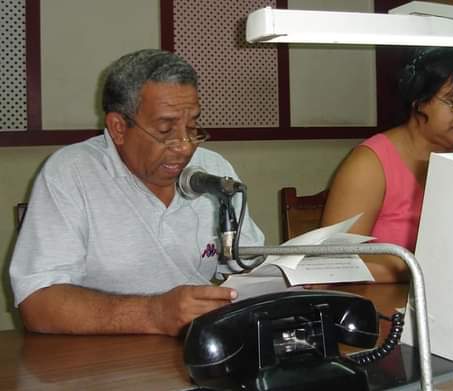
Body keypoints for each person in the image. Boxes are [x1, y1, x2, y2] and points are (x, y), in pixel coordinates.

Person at [9, 49, 264, 336]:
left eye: (192, 127)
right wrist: (152, 313)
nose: (184, 147)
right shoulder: (71, 173)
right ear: (118, 128)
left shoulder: (213, 169)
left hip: (196, 351)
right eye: (165, 130)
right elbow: (38, 303)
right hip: (100, 365)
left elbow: (247, 268)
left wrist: (293, 278)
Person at [321, 47, 453, 282]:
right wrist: (421, 268)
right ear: (419, 100)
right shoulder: (370, 164)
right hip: (387, 305)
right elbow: (335, 261)